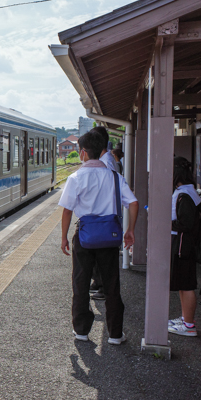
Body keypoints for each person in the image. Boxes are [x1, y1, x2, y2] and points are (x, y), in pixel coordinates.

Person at [60, 130, 139, 344]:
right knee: (111, 285)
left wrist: (64, 237)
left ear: (84, 153)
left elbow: (67, 210)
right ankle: (115, 334)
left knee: (81, 282)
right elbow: (133, 203)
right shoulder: (114, 177)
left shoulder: (76, 177)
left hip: (84, 236)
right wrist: (130, 230)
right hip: (109, 237)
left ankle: (81, 331)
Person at [168, 158, 201, 337]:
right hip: (184, 243)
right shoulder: (188, 191)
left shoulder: (185, 195)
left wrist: (166, 221)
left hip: (183, 244)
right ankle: (185, 318)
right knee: (183, 283)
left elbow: (186, 223)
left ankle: (189, 325)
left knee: (186, 284)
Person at [89, 126, 118, 300]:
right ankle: (98, 283)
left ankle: (103, 287)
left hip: (104, 215)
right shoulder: (106, 159)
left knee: (102, 255)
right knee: (99, 254)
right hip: (104, 214)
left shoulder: (106, 162)